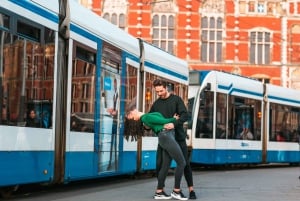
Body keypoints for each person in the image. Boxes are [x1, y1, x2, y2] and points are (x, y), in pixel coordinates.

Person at [126, 106, 187, 200]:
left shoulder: (146, 117)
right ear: (134, 117)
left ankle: (159, 192)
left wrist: (169, 121)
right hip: (166, 136)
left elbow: (160, 121)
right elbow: (163, 122)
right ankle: (176, 191)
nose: (132, 110)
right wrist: (174, 119)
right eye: (130, 114)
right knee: (181, 163)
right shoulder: (146, 117)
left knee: (165, 166)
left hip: (166, 136)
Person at [150, 79, 197, 200]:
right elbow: (151, 119)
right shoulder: (156, 104)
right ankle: (161, 190)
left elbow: (185, 115)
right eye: (157, 91)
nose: (159, 93)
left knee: (184, 163)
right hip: (164, 139)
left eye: (161, 91)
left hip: (178, 138)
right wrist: (146, 126)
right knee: (160, 165)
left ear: (166, 88)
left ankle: (191, 190)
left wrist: (174, 123)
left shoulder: (176, 100)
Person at [106, 77, 119, 170]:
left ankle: (113, 163)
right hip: (112, 121)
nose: (114, 85)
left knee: (114, 144)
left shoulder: (119, 95)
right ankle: (110, 162)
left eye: (115, 83)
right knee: (111, 143)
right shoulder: (114, 95)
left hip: (116, 122)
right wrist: (110, 110)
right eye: (113, 83)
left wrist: (116, 112)